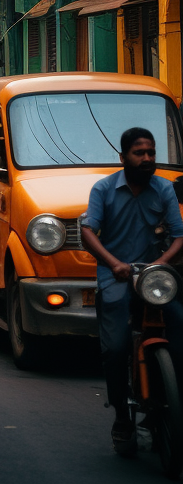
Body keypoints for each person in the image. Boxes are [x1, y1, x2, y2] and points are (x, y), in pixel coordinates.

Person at [80, 127, 183, 451]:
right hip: (116, 277)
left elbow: (179, 236)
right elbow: (87, 231)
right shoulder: (104, 189)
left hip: (154, 280)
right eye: (140, 153)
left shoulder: (164, 189)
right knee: (116, 348)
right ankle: (122, 417)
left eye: (151, 153)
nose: (147, 158)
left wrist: (159, 265)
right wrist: (114, 264)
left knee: (179, 326)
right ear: (123, 157)